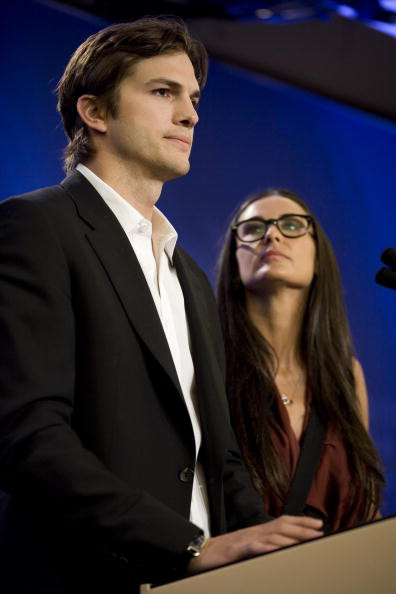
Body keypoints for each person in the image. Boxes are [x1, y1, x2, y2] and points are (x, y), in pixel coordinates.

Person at [0, 18, 323, 594]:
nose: (191, 115)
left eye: (193, 98)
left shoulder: (190, 275)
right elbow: (27, 432)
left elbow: (219, 459)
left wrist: (277, 555)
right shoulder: (36, 227)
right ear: (95, 113)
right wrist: (187, 544)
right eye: (163, 92)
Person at [216, 188, 385, 532]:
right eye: (253, 229)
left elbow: (366, 512)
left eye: (292, 225)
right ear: (234, 264)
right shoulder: (208, 364)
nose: (273, 234)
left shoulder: (347, 377)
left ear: (318, 258)